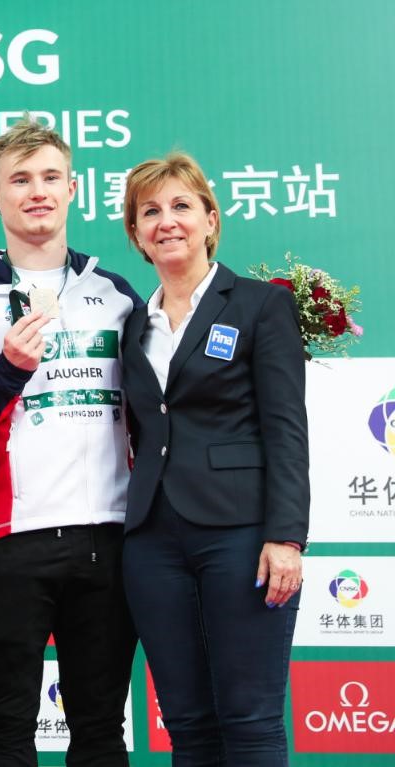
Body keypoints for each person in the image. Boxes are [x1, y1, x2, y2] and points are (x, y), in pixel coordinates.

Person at [0, 118, 141, 766]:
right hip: (11, 538)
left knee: (102, 731)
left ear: (72, 189)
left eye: (50, 177)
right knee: (7, 730)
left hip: (109, 537)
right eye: (20, 180)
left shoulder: (115, 294)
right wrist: (8, 369)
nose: (37, 191)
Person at [119, 152, 308, 766]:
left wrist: (286, 537)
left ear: (210, 219)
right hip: (152, 539)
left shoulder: (259, 305)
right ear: (136, 234)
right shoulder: (132, 325)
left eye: (181, 206)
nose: (166, 221)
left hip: (242, 534)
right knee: (187, 724)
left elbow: (286, 429)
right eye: (150, 211)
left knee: (250, 719)